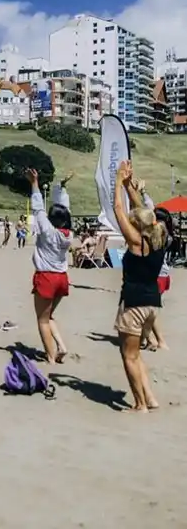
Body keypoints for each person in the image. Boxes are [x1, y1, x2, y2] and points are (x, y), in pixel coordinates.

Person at [112, 161, 165, 412]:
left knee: (129, 356)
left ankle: (140, 404)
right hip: (152, 303)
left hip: (133, 303)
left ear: (138, 226)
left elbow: (119, 209)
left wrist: (117, 182)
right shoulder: (157, 237)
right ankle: (150, 398)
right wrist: (129, 185)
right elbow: (141, 211)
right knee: (137, 355)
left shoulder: (136, 243)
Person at [27, 168, 73, 364]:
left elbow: (38, 208)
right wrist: (61, 189)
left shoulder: (48, 232)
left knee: (42, 319)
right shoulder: (68, 234)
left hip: (46, 277)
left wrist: (34, 183)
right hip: (62, 277)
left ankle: (51, 357)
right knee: (49, 315)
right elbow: (64, 210)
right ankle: (61, 346)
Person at [125, 177, 171, 351]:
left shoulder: (152, 237)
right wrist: (141, 192)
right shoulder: (164, 234)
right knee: (149, 310)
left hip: (155, 275)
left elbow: (144, 212)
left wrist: (132, 190)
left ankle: (156, 340)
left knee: (148, 310)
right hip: (164, 275)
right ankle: (147, 338)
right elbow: (148, 211)